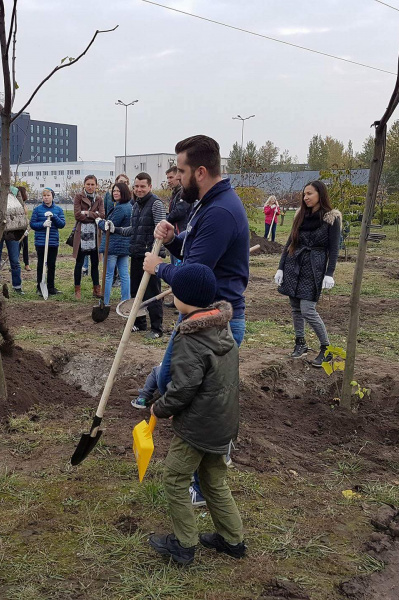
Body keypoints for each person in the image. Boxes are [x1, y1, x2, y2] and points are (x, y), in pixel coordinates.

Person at [144, 134, 250, 506]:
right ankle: (204, 475)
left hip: (214, 321)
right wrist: (174, 239)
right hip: (202, 317)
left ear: (201, 171)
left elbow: (195, 276)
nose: (176, 176)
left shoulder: (220, 211)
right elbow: (194, 252)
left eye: (182, 170)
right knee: (182, 385)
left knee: (197, 396)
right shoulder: (208, 204)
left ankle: (206, 481)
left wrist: (161, 267)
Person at [147, 262, 246, 566]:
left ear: (182, 298)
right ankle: (233, 540)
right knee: (214, 480)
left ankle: (183, 544)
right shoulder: (220, 326)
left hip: (198, 427)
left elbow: (184, 387)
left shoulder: (190, 337)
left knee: (175, 478)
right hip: (223, 422)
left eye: (174, 293)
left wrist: (159, 408)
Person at [274, 180, 341, 366]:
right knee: (295, 307)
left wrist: (330, 273)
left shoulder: (331, 218)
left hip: (314, 268)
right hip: (293, 264)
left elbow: (334, 249)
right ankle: (300, 343)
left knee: (307, 309)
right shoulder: (300, 215)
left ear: (320, 194)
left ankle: (326, 349)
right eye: (304, 194)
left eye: (310, 193)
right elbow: (290, 243)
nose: (306, 197)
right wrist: (280, 267)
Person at [105, 172, 166, 339]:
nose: (139, 189)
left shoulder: (156, 204)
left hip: (151, 256)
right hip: (137, 253)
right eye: (137, 186)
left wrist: (155, 253)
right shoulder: (136, 205)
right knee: (136, 291)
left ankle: (156, 328)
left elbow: (161, 231)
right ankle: (140, 323)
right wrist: (115, 229)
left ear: (150, 187)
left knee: (152, 292)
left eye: (142, 186)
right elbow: (133, 230)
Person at [97, 182, 132, 306]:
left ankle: (105, 302)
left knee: (108, 275)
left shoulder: (120, 208)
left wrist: (99, 222)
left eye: (118, 191)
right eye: (114, 191)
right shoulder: (129, 206)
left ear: (124, 192)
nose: (115, 193)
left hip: (112, 246)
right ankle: (125, 301)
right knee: (124, 274)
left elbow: (109, 226)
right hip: (124, 246)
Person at [72, 175, 105, 300]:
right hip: (81, 234)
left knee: (95, 263)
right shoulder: (78, 197)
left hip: (95, 235)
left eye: (92, 184)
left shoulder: (99, 199)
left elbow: (102, 215)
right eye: (88, 184)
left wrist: (87, 213)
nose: (90, 187)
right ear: (84, 185)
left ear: (96, 185)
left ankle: (96, 289)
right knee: (79, 262)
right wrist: (93, 215)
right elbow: (77, 215)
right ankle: (77, 289)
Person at [30, 188, 66, 296]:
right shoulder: (37, 210)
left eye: (48, 195)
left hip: (52, 242)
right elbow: (32, 224)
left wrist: (54, 217)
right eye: (44, 196)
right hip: (41, 242)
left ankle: (50, 287)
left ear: (52, 197)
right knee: (41, 264)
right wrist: (43, 224)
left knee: (51, 265)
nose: (46, 197)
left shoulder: (58, 210)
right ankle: (40, 287)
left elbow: (62, 224)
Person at [0, 186, 26, 295]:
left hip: (12, 229)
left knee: (15, 260)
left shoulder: (14, 191)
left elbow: (20, 208)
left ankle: (17, 286)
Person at [166, 166, 191, 268]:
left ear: (178, 176)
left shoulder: (184, 193)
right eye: (167, 178)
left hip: (181, 232)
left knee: (179, 264)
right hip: (175, 232)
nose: (168, 181)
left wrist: (165, 219)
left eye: (171, 177)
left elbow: (178, 212)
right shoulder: (175, 193)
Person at [17, 186, 31, 271]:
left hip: (25, 228)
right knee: (17, 246)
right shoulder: (17, 203)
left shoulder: (24, 203)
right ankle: (16, 263)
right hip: (18, 228)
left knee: (25, 246)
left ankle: (27, 264)